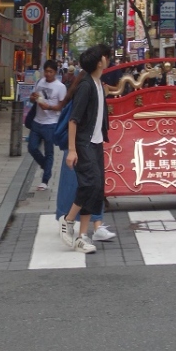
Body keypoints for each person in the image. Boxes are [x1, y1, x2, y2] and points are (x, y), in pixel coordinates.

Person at [61, 44, 111, 253]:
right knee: (89, 184)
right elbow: (74, 120)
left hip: (96, 143)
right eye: (105, 57)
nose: (108, 59)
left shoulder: (98, 84)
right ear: (100, 62)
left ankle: (82, 236)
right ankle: (68, 219)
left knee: (97, 188)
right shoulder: (86, 86)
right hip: (84, 143)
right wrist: (72, 150)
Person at [28, 58, 66, 190]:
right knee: (32, 148)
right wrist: (33, 98)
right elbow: (33, 98)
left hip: (51, 123)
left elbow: (61, 106)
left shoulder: (60, 87)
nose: (48, 74)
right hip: (37, 121)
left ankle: (45, 180)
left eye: (51, 71)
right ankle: (45, 165)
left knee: (49, 152)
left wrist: (48, 107)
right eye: (46, 71)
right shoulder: (40, 82)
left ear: (55, 72)